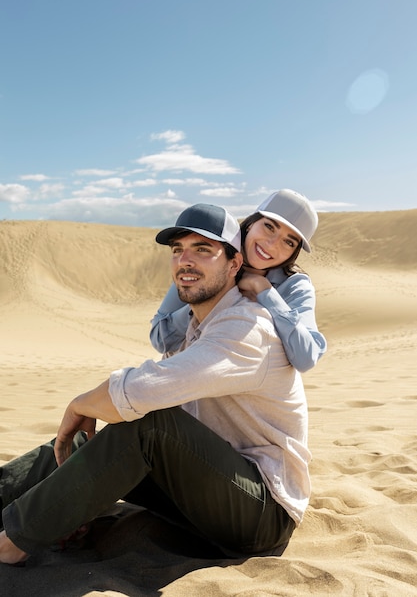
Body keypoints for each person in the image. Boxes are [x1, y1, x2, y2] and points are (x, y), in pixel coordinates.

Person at [0, 203, 311, 565]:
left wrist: (78, 405)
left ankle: (13, 543)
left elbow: (147, 389)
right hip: (197, 489)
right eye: (178, 250)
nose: (186, 261)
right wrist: (78, 490)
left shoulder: (246, 328)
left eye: (204, 250)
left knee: (148, 423)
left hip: (261, 513)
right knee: (81, 445)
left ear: (234, 264)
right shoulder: (196, 324)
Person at [150, 189, 327, 373]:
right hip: (181, 381)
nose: (272, 244)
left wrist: (265, 291)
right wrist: (210, 297)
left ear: (294, 252)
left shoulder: (294, 286)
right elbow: (160, 339)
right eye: (269, 227)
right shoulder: (212, 258)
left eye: (289, 242)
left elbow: (306, 358)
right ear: (251, 223)